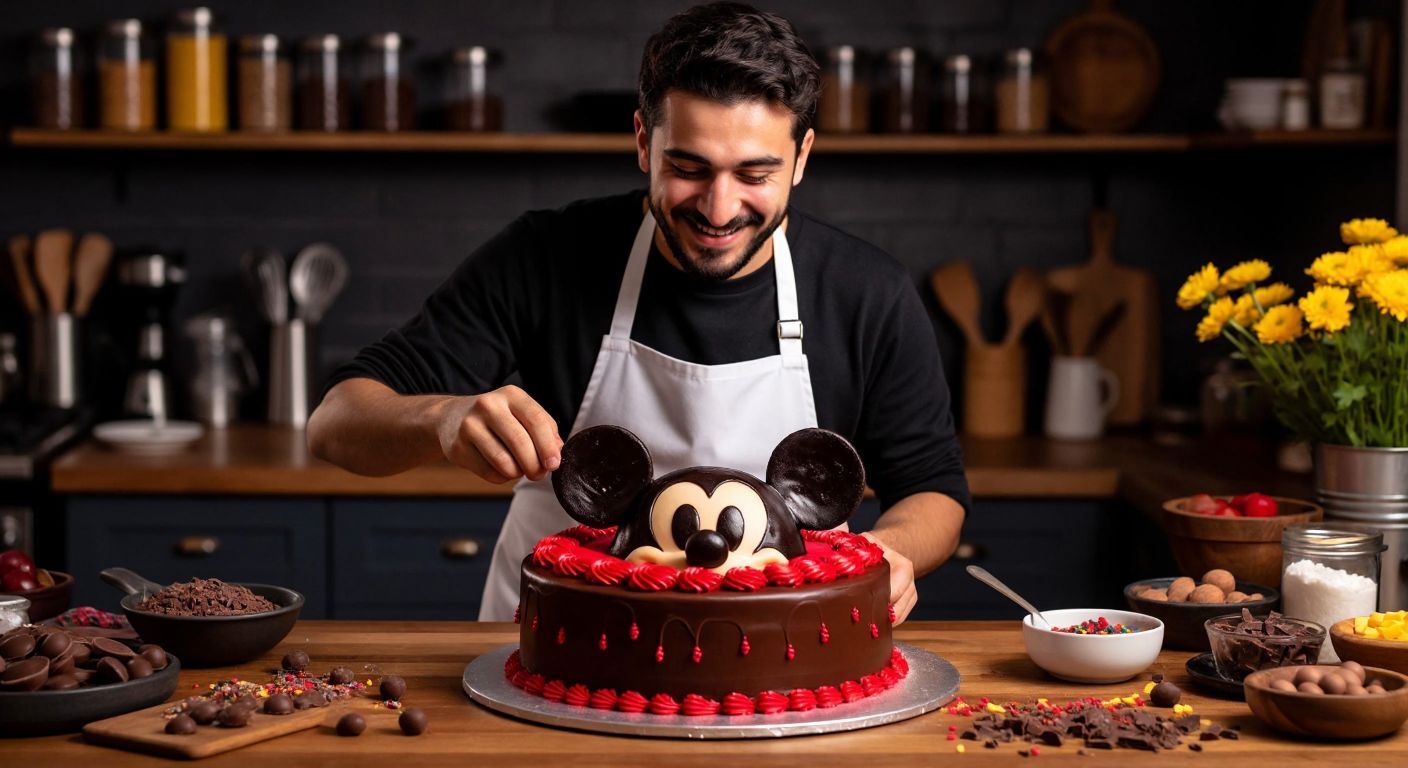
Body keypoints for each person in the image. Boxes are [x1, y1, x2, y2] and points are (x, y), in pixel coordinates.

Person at [308, 1, 969, 623]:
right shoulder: (545, 257)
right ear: (643, 143)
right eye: (689, 167)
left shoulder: (867, 292)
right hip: (554, 659)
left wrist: (890, 555)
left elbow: (933, 489)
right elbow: (335, 424)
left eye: (754, 174)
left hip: (784, 662)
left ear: (802, 159)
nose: (718, 207)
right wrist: (442, 417)